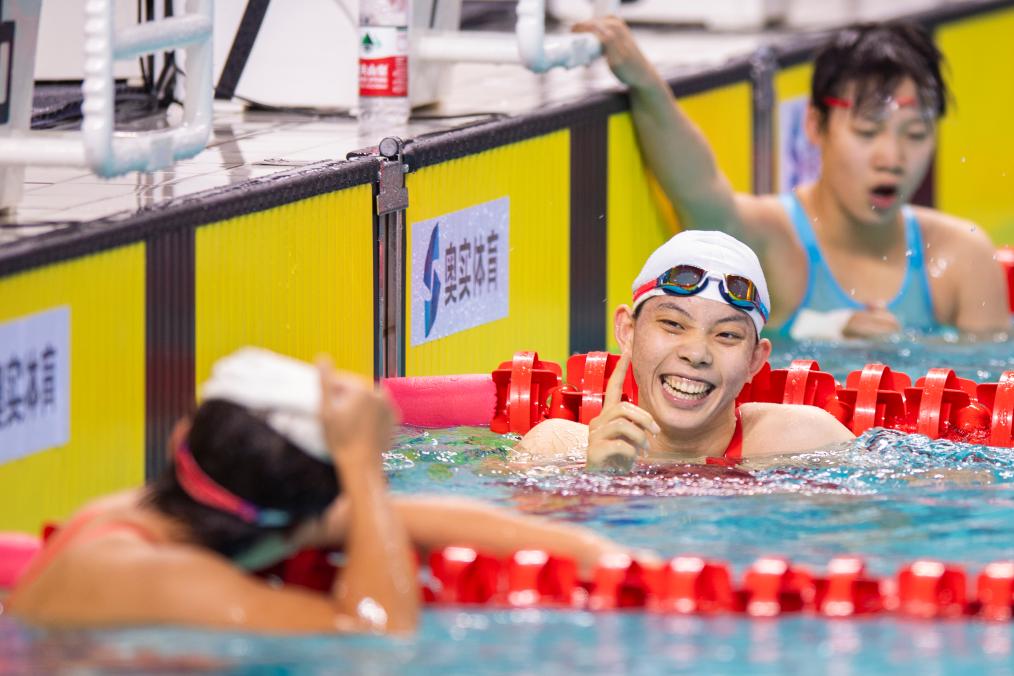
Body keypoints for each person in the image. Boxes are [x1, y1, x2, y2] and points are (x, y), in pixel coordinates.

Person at [8, 348, 627, 633]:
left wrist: (604, 558)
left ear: (179, 443)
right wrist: (360, 465)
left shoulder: (173, 511)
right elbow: (377, 634)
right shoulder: (153, 574)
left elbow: (421, 515)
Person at [574, 18, 1010, 340]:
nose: (892, 158)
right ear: (815, 125)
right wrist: (645, 82)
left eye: (914, 134)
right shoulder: (770, 242)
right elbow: (697, 187)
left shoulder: (962, 257)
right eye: (867, 131)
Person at [514, 230, 855, 472]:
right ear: (627, 331)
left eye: (726, 334)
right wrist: (600, 483)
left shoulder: (811, 444)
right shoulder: (551, 451)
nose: (696, 353)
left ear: (755, 359)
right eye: (673, 324)